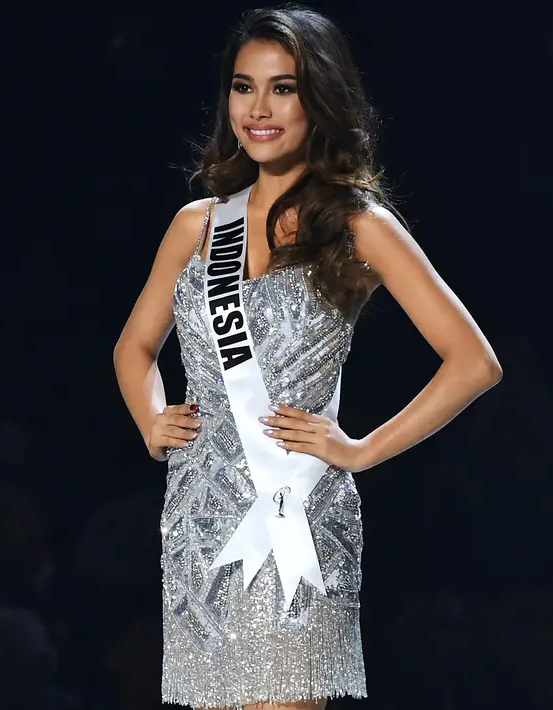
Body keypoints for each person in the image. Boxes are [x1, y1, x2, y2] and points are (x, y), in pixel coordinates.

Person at [113, 5, 502, 709]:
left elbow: (472, 361)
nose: (257, 108)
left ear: (318, 99)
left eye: (282, 88)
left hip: (292, 512)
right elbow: (134, 346)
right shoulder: (196, 226)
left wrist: (361, 449)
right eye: (242, 86)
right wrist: (150, 419)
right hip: (199, 518)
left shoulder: (359, 225)